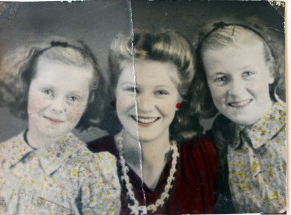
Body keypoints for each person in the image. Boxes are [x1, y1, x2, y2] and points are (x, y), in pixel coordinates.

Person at [87, 30, 217, 214]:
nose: (145, 106)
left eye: (161, 92)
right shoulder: (86, 160)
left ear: (180, 100)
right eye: (133, 89)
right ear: (114, 92)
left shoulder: (205, 157)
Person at [0, 39, 121, 214]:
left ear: (88, 102)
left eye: (73, 98)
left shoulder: (93, 170)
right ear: (26, 86)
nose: (58, 107)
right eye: (48, 92)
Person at [195, 22, 286, 213]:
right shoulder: (222, 137)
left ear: (270, 71)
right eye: (221, 78)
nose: (236, 91)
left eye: (247, 73)